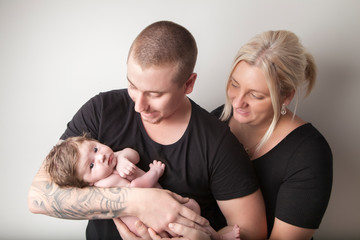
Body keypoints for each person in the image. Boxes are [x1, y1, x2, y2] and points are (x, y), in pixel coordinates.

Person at [28, 20, 267, 240]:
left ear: (188, 84)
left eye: (155, 94)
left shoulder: (217, 143)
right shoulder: (101, 110)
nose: (139, 105)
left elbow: (252, 233)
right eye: (132, 85)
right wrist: (139, 203)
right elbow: (39, 197)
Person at [210, 30, 332, 239]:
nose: (237, 102)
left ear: (286, 96)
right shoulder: (218, 119)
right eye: (234, 84)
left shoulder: (309, 154)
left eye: (256, 95)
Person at [45, 135, 241, 240]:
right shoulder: (105, 183)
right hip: (149, 224)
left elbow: (134, 155)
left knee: (194, 212)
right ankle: (219, 237)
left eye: (95, 148)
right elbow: (137, 188)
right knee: (191, 216)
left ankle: (217, 236)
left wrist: (121, 158)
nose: (101, 157)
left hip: (159, 211)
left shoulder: (112, 162)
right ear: (87, 183)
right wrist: (154, 173)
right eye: (91, 165)